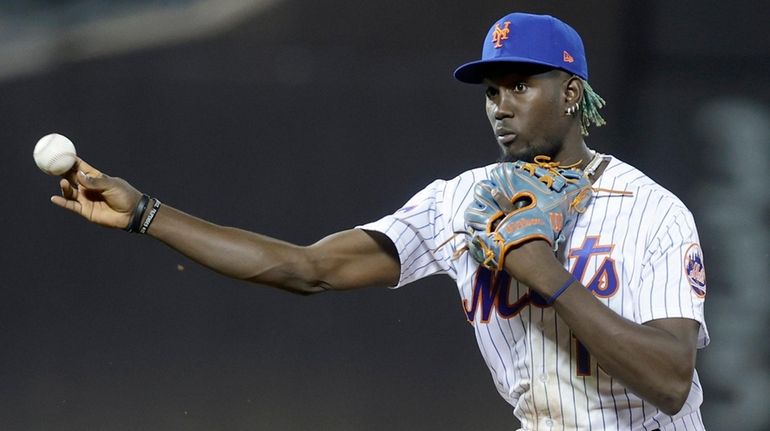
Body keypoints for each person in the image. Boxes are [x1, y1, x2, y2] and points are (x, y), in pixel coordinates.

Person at [50, 12, 708, 431]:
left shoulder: (648, 210)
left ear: (570, 92)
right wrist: (145, 213)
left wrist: (543, 272)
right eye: (491, 90)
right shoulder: (461, 202)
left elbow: (672, 381)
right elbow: (309, 268)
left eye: (520, 85)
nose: (501, 107)